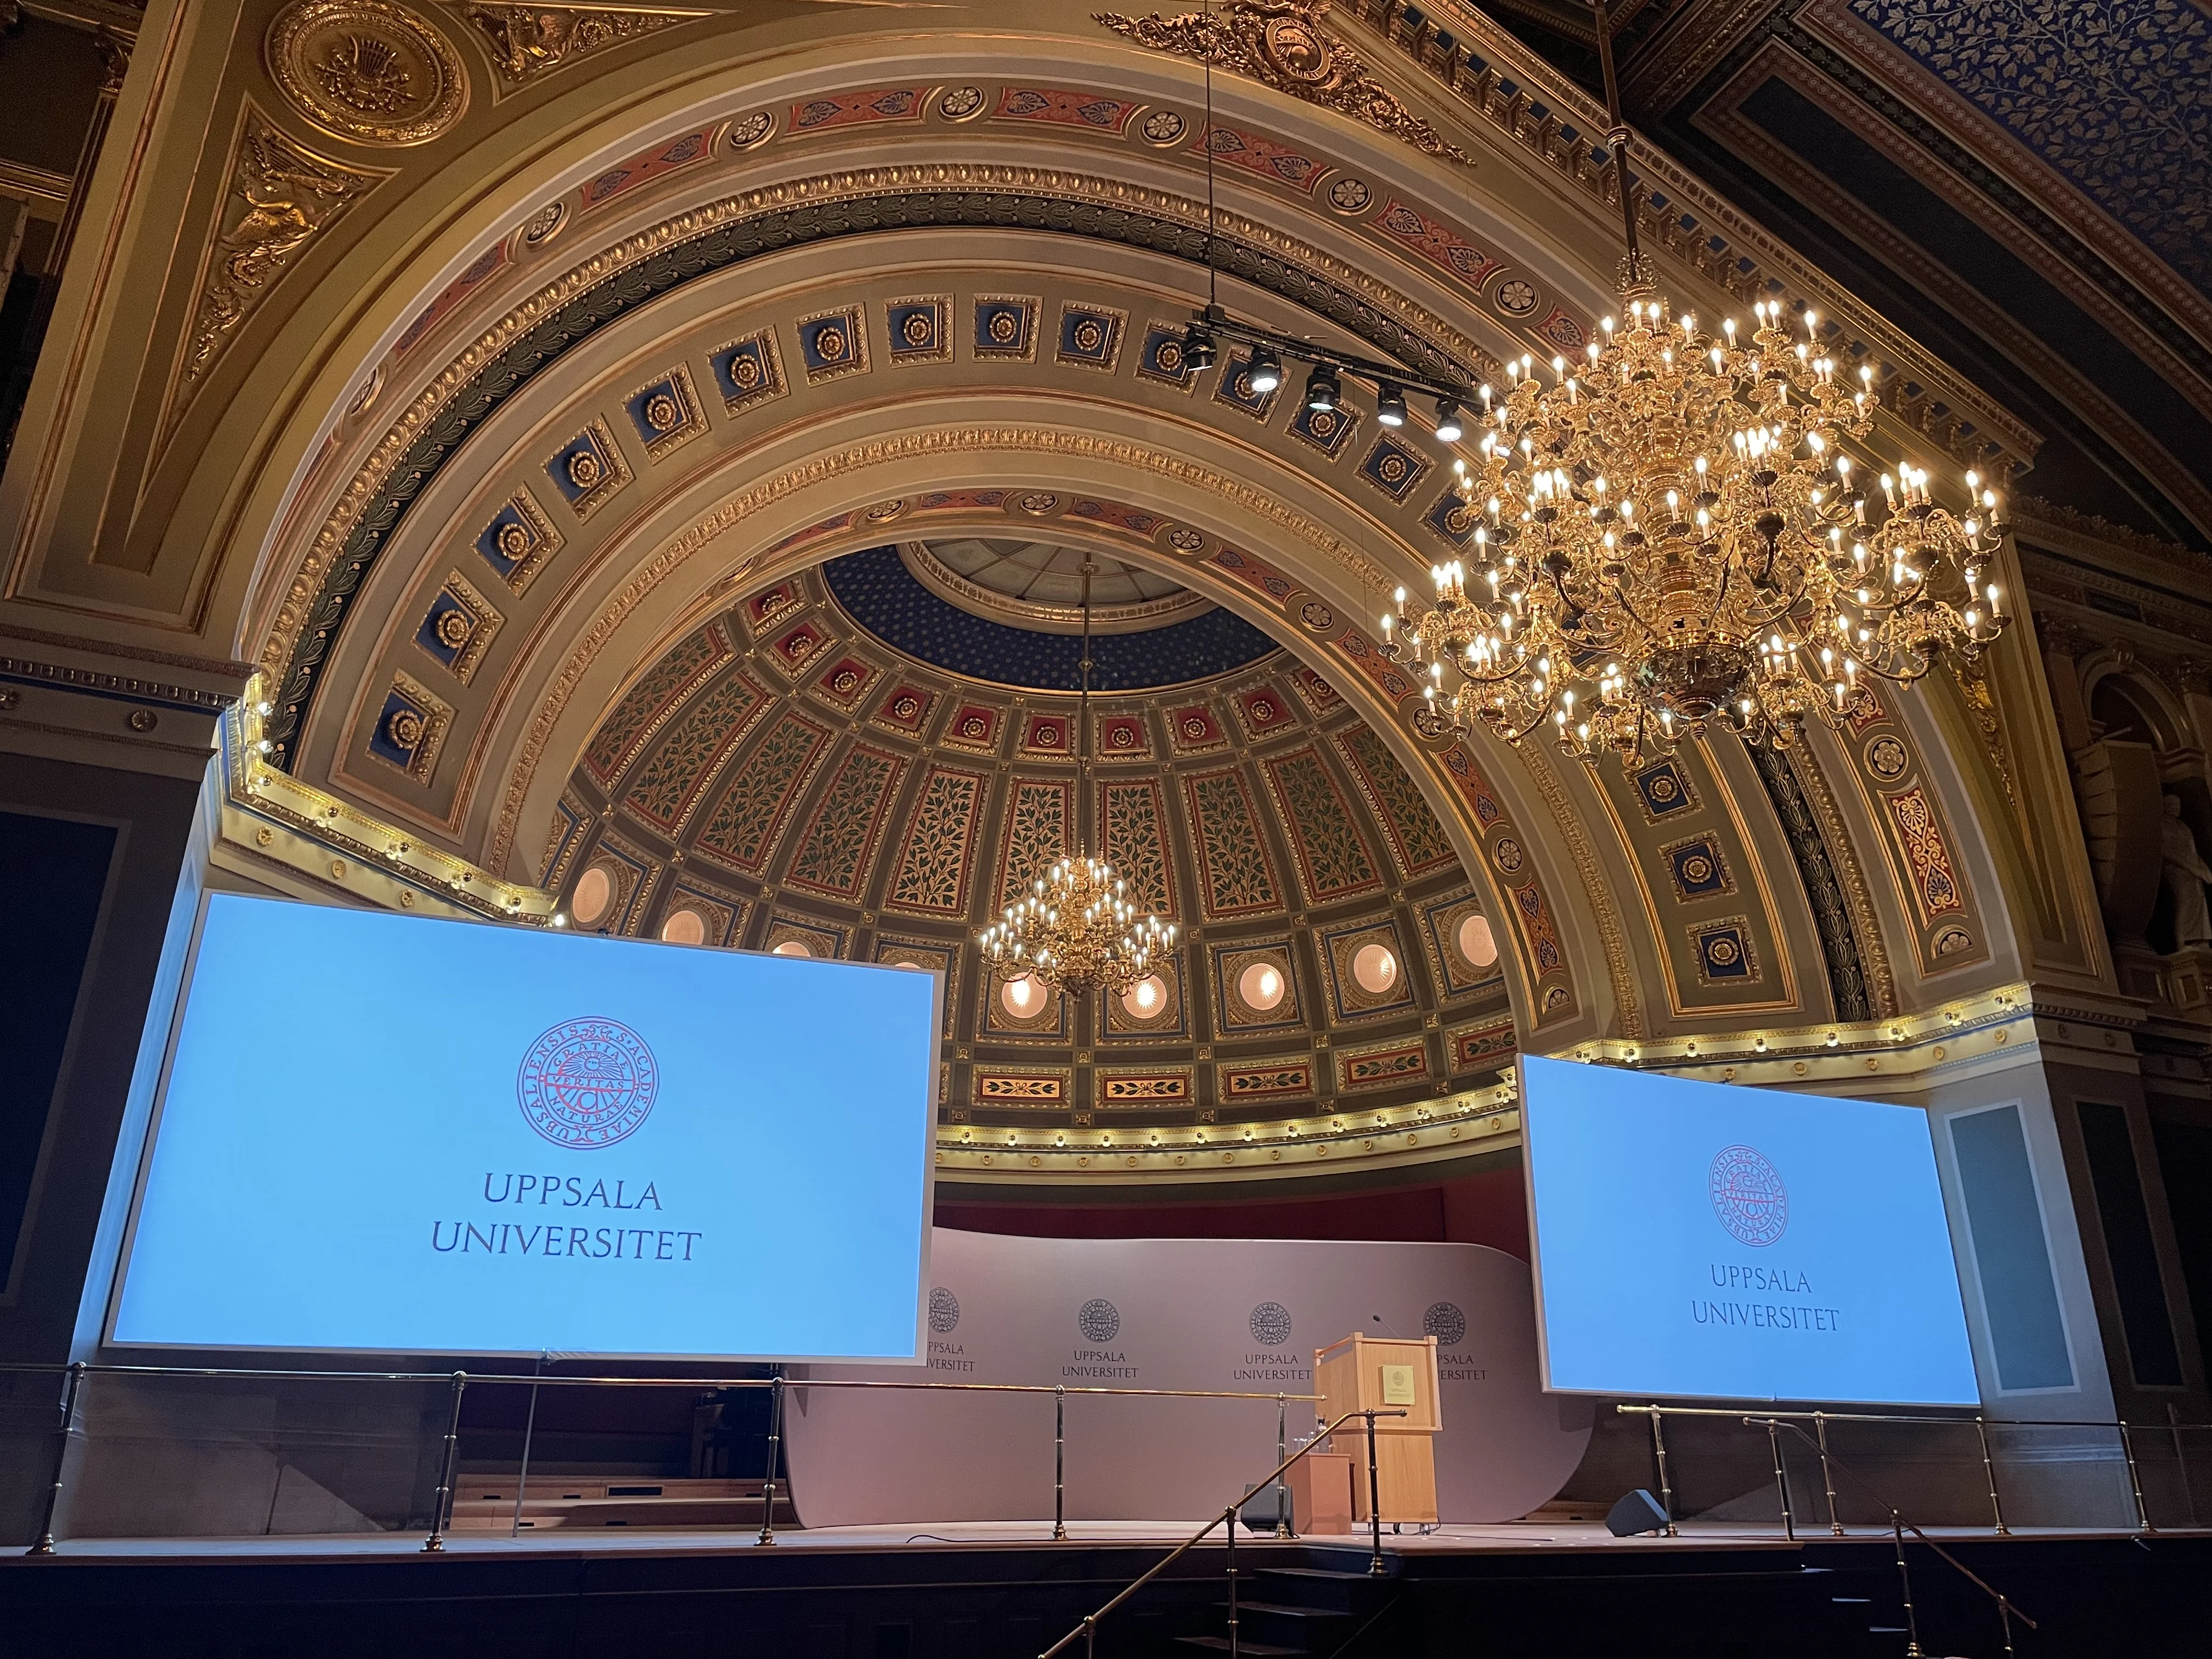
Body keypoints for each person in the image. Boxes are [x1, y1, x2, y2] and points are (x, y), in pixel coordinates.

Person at [2159, 793, 2212, 949]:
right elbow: (2164, 851)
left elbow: (2193, 852)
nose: (2176, 808)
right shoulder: (2161, 826)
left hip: (2193, 871)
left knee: (2199, 900)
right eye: (2172, 805)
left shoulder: (2183, 827)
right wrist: (2188, 866)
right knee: (2184, 903)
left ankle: (2200, 940)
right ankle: (2182, 944)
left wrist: (2203, 869)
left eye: (2178, 805)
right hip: (2176, 871)